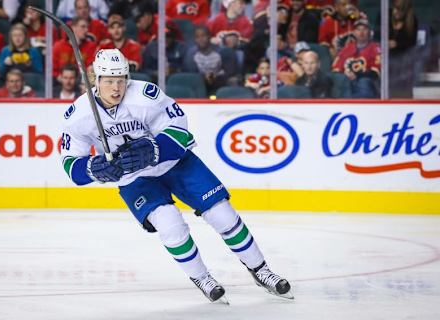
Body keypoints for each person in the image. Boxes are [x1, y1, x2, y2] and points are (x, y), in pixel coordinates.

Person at [60, 49, 293, 302]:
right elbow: (71, 165)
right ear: (96, 80)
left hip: (174, 163)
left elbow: (180, 128)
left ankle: (261, 270)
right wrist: (95, 169)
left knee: (222, 214)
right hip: (134, 179)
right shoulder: (80, 114)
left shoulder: (145, 96)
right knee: (170, 225)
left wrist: (154, 149)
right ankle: (202, 278)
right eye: (109, 81)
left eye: (121, 80)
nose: (116, 88)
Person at [183, 25, 238, 94]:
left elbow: (230, 72)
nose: (201, 39)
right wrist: (204, 77)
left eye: (203, 36)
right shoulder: (191, 54)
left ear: (210, 36)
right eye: (197, 37)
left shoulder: (223, 51)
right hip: (200, 83)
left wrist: (214, 76)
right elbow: (191, 74)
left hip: (220, 82)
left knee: (233, 80)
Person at [332, 19, 380, 98]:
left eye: (364, 29)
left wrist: (357, 75)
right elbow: (336, 69)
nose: (361, 32)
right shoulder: (346, 49)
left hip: (367, 84)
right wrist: (345, 76)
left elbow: (376, 73)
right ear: (354, 32)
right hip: (346, 82)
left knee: (363, 82)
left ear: (370, 32)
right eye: (358, 29)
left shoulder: (376, 49)